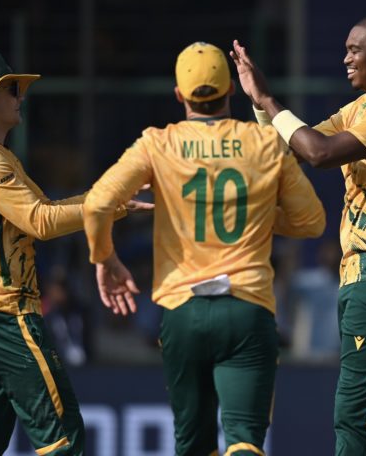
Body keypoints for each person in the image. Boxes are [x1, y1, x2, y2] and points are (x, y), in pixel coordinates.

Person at [83, 42, 326, 456]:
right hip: (247, 307)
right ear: (231, 88)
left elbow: (97, 203)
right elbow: (312, 222)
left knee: (192, 445)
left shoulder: (157, 144)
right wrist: (257, 216)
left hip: (183, 310)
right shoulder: (265, 144)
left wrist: (104, 257)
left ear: (178, 95)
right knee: (245, 442)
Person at [231, 14, 366, 455]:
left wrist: (270, 99)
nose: (345, 58)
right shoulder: (360, 109)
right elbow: (291, 150)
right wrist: (257, 102)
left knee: (353, 412)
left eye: (354, 49)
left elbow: (322, 153)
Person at [0, 50, 150, 455]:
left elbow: (44, 211)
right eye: (13, 89)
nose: (22, 96)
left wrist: (110, 197)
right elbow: (41, 222)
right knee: (63, 437)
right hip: (4, 313)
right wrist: (108, 205)